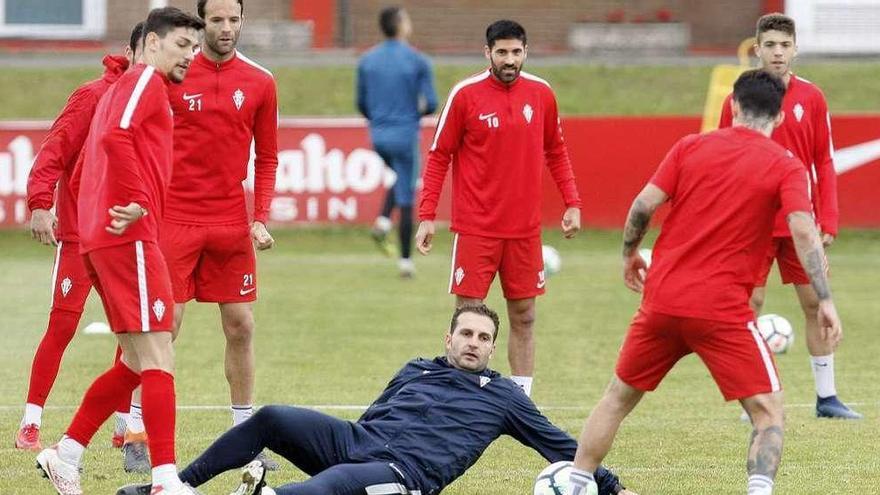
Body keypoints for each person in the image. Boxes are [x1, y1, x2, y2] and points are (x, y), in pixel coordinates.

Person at [567, 70, 842, 495]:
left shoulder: (690, 146)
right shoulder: (785, 166)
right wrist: (824, 298)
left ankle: (575, 482)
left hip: (662, 299)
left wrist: (629, 254)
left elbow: (643, 204)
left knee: (617, 398)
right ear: (781, 116)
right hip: (722, 310)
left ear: (732, 106)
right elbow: (804, 231)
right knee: (768, 413)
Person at [117, 305, 635, 495]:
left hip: (401, 474)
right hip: (360, 441)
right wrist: (348, 441)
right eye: (467, 334)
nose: (474, 343)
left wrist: (611, 488)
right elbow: (377, 412)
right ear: (448, 338)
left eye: (484, 338)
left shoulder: (503, 398)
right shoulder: (416, 368)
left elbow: (560, 446)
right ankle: (175, 486)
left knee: (329, 486)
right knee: (271, 417)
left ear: (493, 348)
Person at [35, 7, 204, 495]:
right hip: (126, 238)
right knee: (158, 353)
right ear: (151, 44)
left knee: (133, 361)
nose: (189, 56)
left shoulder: (129, 87)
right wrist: (138, 202)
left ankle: (65, 454)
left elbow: (106, 144)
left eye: (193, 48)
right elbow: (114, 136)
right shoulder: (143, 83)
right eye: (181, 45)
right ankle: (165, 478)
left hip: (102, 238)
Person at [415, 20, 581, 397]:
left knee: (525, 316)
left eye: (517, 52)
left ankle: (521, 401)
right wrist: (427, 216)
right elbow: (439, 155)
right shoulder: (465, 94)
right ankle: (461, 397)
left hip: (524, 230)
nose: (510, 60)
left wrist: (572, 202)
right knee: (469, 320)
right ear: (487, 52)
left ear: (526, 52)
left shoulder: (541, 93)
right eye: (502, 52)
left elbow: (556, 150)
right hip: (475, 229)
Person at [156, 0, 280, 468]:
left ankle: (243, 434)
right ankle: (136, 426)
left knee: (241, 326)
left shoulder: (261, 81)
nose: (226, 29)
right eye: (216, 20)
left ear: (242, 21)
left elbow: (267, 156)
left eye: (234, 20)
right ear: (200, 23)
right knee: (163, 325)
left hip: (230, 222)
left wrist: (260, 215)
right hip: (175, 218)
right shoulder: (174, 74)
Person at [718, 13, 859, 419]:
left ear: (795, 48)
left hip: (799, 220)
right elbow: (726, 156)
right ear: (756, 48)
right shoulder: (739, 96)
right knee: (750, 303)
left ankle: (827, 397)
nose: (777, 52)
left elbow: (824, 160)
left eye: (784, 45)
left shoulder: (812, 97)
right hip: (752, 221)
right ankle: (752, 397)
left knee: (815, 303)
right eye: (770, 45)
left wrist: (827, 219)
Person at [16, 21, 143, 453]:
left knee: (133, 330)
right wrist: (39, 203)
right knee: (63, 325)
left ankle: (124, 424)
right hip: (79, 234)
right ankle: (30, 422)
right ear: (131, 50)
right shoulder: (92, 95)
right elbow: (54, 150)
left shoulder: (159, 100)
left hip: (130, 234)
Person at [357, 6, 438, 278]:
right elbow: (432, 103)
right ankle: (405, 261)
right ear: (402, 24)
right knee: (407, 195)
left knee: (403, 178)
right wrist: (414, 113)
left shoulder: (367, 60)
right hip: (405, 135)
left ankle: (382, 222)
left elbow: (361, 103)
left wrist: (379, 119)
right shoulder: (418, 61)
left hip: (378, 136)